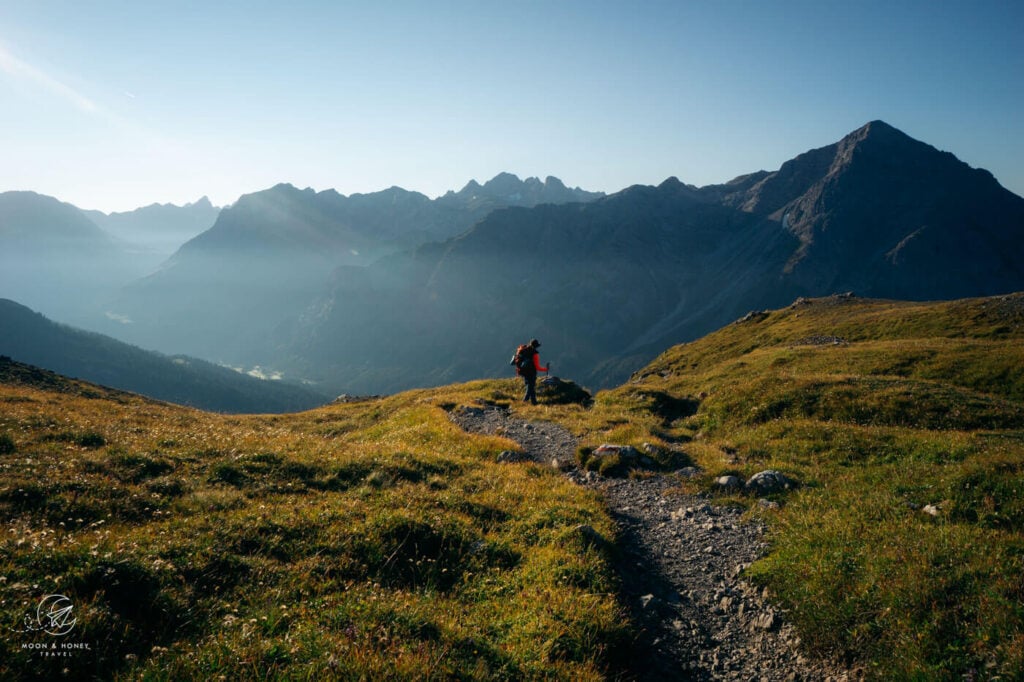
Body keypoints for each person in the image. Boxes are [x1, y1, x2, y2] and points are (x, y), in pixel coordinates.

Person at [518, 338, 550, 405]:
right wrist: (546, 369)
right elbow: (538, 367)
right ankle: (524, 401)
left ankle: (534, 402)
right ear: (537, 346)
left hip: (524, 372)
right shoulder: (535, 354)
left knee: (530, 387)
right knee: (530, 387)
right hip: (531, 373)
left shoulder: (524, 350)